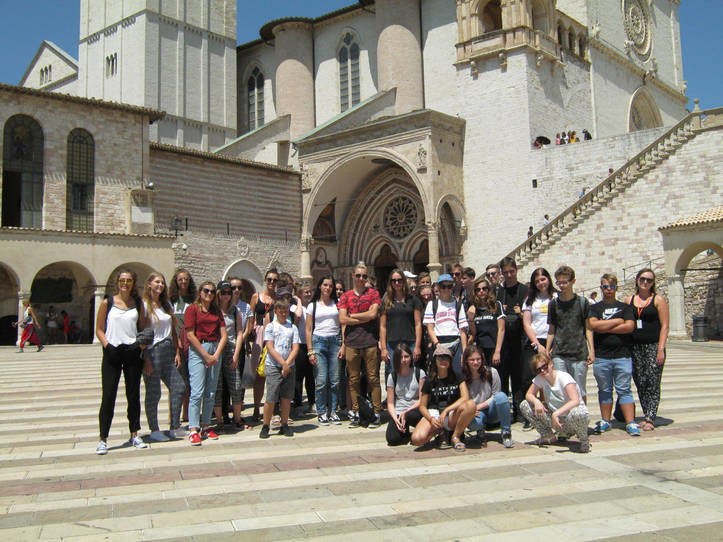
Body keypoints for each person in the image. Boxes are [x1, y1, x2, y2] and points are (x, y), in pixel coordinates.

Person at [94, 270, 148, 455]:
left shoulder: (138, 304)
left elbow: (143, 328)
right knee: (108, 396)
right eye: (122, 280)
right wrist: (107, 345)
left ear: (133, 283)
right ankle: (103, 438)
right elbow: (99, 329)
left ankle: (134, 433)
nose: (125, 283)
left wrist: (139, 346)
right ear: (117, 282)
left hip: (132, 351)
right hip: (112, 352)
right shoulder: (107, 303)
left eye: (129, 280)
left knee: (133, 395)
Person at [588, 273, 640, 436]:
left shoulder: (625, 307)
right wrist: (617, 321)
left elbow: (629, 327)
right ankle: (605, 420)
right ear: (601, 288)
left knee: (624, 389)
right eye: (605, 287)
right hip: (602, 355)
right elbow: (593, 325)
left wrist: (604, 326)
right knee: (604, 389)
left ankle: (630, 422)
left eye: (611, 287)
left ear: (616, 288)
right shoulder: (595, 308)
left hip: (622, 355)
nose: (608, 290)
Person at [142, 272, 186, 442]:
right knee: (154, 393)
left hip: (168, 349)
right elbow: (142, 332)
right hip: (152, 351)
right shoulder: (144, 305)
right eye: (157, 282)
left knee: (179, 387)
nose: (160, 285)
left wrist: (177, 351)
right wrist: (145, 358)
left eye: (162, 282)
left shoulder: (166, 304)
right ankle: (154, 430)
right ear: (149, 284)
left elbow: (173, 330)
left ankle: (174, 426)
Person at [338, 263, 383, 427]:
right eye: (358, 275)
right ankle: (357, 412)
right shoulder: (345, 296)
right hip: (351, 342)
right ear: (353, 276)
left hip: (370, 341)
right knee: (353, 379)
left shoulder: (373, 294)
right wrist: (364, 317)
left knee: (373, 378)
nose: (361, 279)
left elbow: (373, 314)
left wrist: (352, 316)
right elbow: (342, 319)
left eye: (364, 276)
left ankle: (377, 413)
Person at [624, 269, 669, 431]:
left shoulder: (658, 300)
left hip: (653, 345)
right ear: (637, 280)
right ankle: (646, 413)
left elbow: (665, 326)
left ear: (653, 283)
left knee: (653, 381)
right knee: (640, 381)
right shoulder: (629, 300)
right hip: (634, 347)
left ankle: (651, 416)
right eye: (642, 279)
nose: (645, 282)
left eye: (649, 280)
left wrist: (661, 348)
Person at [520, 353, 591, 452]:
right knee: (525, 405)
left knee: (579, 412)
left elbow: (575, 401)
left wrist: (556, 413)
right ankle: (547, 436)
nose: (543, 371)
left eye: (544, 366)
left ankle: (584, 440)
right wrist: (536, 401)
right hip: (555, 420)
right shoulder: (540, 378)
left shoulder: (563, 377)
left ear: (551, 363)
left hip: (571, 418)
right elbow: (529, 394)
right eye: (538, 370)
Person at [185, 281, 227, 445]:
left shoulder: (216, 311)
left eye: (212, 291)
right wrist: (206, 355)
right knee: (197, 391)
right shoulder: (192, 309)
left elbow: (223, 334)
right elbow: (190, 334)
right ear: (200, 292)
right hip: (198, 350)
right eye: (206, 290)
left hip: (215, 349)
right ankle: (193, 428)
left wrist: (215, 354)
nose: (209, 294)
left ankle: (206, 425)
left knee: (211, 391)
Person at [411, 345, 476, 451]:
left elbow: (465, 397)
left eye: (446, 358)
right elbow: (422, 406)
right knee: (417, 439)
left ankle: (455, 436)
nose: (443, 360)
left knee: (471, 405)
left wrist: (446, 410)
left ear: (450, 361)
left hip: (451, 413)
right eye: (440, 358)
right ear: (435, 360)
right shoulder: (429, 380)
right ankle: (440, 432)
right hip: (435, 414)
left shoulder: (458, 376)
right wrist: (431, 419)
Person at [546, 265, 594, 405]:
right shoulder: (553, 304)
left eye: (565, 282)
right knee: (562, 391)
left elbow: (588, 328)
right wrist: (547, 350)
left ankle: (581, 416)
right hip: (559, 353)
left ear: (573, 281)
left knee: (580, 391)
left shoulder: (582, 302)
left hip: (579, 353)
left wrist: (592, 351)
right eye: (559, 282)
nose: (561, 286)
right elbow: (552, 329)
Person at [521, 267, 557, 429]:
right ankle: (534, 415)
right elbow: (527, 323)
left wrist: (550, 345)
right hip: (535, 341)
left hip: (553, 340)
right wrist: (537, 344)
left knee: (551, 378)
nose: (541, 283)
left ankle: (553, 412)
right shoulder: (530, 300)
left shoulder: (556, 297)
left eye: (543, 279)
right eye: (537, 281)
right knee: (532, 378)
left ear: (548, 279)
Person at [260, 299, 300, 438]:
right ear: (276, 311)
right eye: (281, 311)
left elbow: (295, 347)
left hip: (289, 366)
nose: (283, 313)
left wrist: (287, 363)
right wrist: (283, 363)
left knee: (286, 397)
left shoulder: (293, 328)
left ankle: (284, 424)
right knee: (271, 397)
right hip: (274, 366)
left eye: (285, 311)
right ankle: (266, 425)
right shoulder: (271, 327)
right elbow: (270, 347)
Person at [306, 275, 342, 425]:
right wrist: (310, 351)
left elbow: (343, 324)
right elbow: (308, 329)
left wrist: (343, 344)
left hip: (335, 341)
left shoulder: (337, 303)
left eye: (330, 286)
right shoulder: (312, 306)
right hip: (318, 341)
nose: (328, 288)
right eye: (325, 285)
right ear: (320, 286)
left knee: (335, 380)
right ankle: (321, 412)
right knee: (321, 380)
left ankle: (333, 411)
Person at [496, 257, 528, 420]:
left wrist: (520, 313)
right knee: (502, 378)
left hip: (519, 340)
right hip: (503, 342)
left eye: (511, 271)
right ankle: (504, 414)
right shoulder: (498, 292)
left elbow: (530, 316)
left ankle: (520, 413)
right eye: (505, 272)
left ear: (516, 270)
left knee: (518, 377)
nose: (509, 275)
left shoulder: (524, 290)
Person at [463, 345, 513, 448]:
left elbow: (496, 395)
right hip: (476, 413)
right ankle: (480, 430)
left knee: (502, 397)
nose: (476, 362)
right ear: (466, 360)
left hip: (490, 409)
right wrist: (470, 410)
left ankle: (506, 432)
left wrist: (478, 406)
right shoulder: (462, 376)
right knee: (475, 424)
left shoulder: (491, 372)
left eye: (478, 359)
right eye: (472, 360)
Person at [212, 281, 246, 432]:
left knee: (236, 386)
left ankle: (237, 419)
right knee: (217, 387)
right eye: (223, 292)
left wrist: (236, 354)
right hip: (216, 350)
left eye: (228, 292)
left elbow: (239, 332)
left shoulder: (235, 311)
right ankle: (219, 421)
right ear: (218, 294)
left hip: (231, 349)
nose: (226, 295)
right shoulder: (213, 310)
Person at [379, 268, 423, 381]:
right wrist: (383, 348)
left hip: (410, 342)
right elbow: (382, 326)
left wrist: (417, 346)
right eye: (394, 281)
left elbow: (418, 324)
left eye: (399, 280)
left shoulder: (413, 300)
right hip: (392, 344)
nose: (397, 283)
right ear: (390, 283)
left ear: (404, 281)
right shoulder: (386, 301)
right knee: (393, 375)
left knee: (411, 375)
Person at [423, 273, 468, 377]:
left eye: (449, 286)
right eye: (443, 286)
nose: (446, 289)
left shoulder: (458, 305)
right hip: (439, 343)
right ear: (438, 287)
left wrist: (464, 351)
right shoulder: (432, 304)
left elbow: (462, 330)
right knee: (439, 375)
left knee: (458, 374)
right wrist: (437, 344)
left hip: (456, 344)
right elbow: (430, 328)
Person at [249, 268, 279, 420]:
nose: (272, 282)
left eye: (275, 280)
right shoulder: (256, 297)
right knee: (259, 374)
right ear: (265, 280)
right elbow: (250, 317)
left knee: (273, 374)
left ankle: (271, 409)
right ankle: (256, 408)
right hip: (260, 335)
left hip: (274, 336)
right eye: (269, 279)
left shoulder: (278, 299)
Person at [169, 268, 197, 423]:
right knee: (176, 382)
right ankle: (173, 415)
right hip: (175, 343)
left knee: (188, 381)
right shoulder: (171, 300)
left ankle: (186, 414)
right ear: (176, 281)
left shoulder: (194, 300)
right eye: (181, 279)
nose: (184, 282)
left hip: (190, 342)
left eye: (186, 279)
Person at [385, 344, 426, 446]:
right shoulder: (392, 376)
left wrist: (406, 412)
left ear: (411, 357)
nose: (404, 360)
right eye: (400, 357)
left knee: (410, 416)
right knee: (392, 439)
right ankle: (406, 432)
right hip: (399, 410)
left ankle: (419, 431)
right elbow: (390, 403)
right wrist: (396, 419)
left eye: (406, 357)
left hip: (415, 410)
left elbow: (422, 400)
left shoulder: (419, 373)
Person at [228, 276, 254, 428]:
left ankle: (238, 407)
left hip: (240, 345)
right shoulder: (223, 306)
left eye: (239, 287)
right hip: (225, 346)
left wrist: (239, 340)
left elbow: (248, 327)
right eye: (233, 287)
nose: (236, 290)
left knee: (240, 378)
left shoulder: (246, 307)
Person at [467, 277, 505, 367]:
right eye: (478, 289)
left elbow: (501, 330)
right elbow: (474, 333)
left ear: (488, 290)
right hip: (480, 350)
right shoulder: (473, 308)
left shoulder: (496, 305)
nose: (481, 291)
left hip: (494, 348)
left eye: (484, 288)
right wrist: (471, 319)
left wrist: (497, 351)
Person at [292, 281, 315, 417]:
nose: (308, 294)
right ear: (299, 293)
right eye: (305, 292)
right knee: (298, 376)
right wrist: (299, 301)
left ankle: (312, 402)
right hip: (299, 344)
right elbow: (298, 317)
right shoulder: (294, 307)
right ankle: (298, 404)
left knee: (310, 376)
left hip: (310, 344)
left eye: (310, 291)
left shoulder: (312, 307)